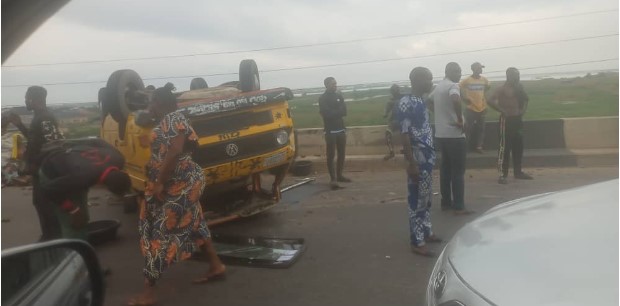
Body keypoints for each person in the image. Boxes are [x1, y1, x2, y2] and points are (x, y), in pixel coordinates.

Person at [130, 85, 226, 306]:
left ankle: (148, 292)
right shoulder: (165, 122)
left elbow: (174, 152)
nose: (149, 107)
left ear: (161, 103)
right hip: (177, 183)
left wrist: (160, 183)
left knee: (160, 232)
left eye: (152, 102)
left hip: (183, 183)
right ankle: (216, 265)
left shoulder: (173, 119)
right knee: (197, 223)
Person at [36, 138, 132, 240]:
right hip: (51, 173)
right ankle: (74, 248)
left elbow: (97, 141)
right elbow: (48, 190)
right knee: (72, 223)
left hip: (72, 170)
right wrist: (73, 210)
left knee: (83, 215)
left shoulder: (118, 159)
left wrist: (76, 147)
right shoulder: (81, 178)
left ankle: (80, 238)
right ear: (106, 187)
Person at [6, 86, 64, 241]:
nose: (25, 100)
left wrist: (34, 164)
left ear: (34, 99)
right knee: (40, 203)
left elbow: (54, 146)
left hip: (46, 171)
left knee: (46, 205)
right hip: (40, 171)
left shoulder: (44, 118)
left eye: (27, 97)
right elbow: (35, 141)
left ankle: (52, 239)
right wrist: (19, 125)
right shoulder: (39, 117)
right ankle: (49, 237)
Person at [397, 67, 441, 257]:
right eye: (428, 79)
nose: (431, 82)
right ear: (417, 80)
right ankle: (417, 241)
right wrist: (411, 162)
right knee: (416, 200)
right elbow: (404, 134)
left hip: (427, 155)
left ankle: (426, 231)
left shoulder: (421, 100)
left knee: (426, 197)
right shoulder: (406, 102)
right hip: (417, 157)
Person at [428, 63, 472, 215]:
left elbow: (429, 100)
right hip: (455, 135)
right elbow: (455, 99)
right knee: (458, 171)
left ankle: (446, 202)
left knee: (445, 169)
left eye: (460, 71)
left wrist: (439, 115)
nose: (459, 74)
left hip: (441, 134)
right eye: (456, 71)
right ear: (448, 72)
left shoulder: (439, 86)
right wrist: (460, 119)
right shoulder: (453, 86)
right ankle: (459, 206)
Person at [488, 67, 534, 184]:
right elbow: (490, 100)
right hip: (505, 121)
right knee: (504, 147)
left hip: (517, 120)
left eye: (518, 75)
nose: (517, 77)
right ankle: (502, 174)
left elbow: (526, 100)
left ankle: (518, 172)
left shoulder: (519, 88)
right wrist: (501, 110)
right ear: (509, 76)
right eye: (515, 75)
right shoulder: (501, 89)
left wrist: (522, 111)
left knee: (518, 146)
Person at [318, 77, 351, 189]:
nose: (335, 85)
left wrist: (335, 112)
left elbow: (345, 111)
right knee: (331, 155)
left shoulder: (339, 96)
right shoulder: (322, 98)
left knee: (342, 154)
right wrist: (338, 111)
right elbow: (327, 114)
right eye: (333, 84)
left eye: (335, 83)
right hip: (330, 131)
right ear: (326, 85)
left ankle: (340, 175)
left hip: (341, 129)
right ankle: (333, 179)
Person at [460, 62, 490, 153]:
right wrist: (464, 98)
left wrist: (483, 97)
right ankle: (464, 147)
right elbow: (458, 88)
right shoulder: (467, 80)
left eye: (481, 68)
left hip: (482, 108)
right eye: (479, 68)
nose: (481, 69)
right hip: (471, 108)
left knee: (481, 129)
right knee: (468, 128)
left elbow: (488, 87)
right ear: (474, 69)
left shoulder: (484, 80)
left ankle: (479, 147)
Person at [383, 84, 402, 161]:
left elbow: (385, 114)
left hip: (401, 121)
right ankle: (391, 152)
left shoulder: (402, 99)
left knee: (388, 134)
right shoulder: (391, 101)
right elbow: (386, 113)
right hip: (398, 122)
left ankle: (392, 152)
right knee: (388, 133)